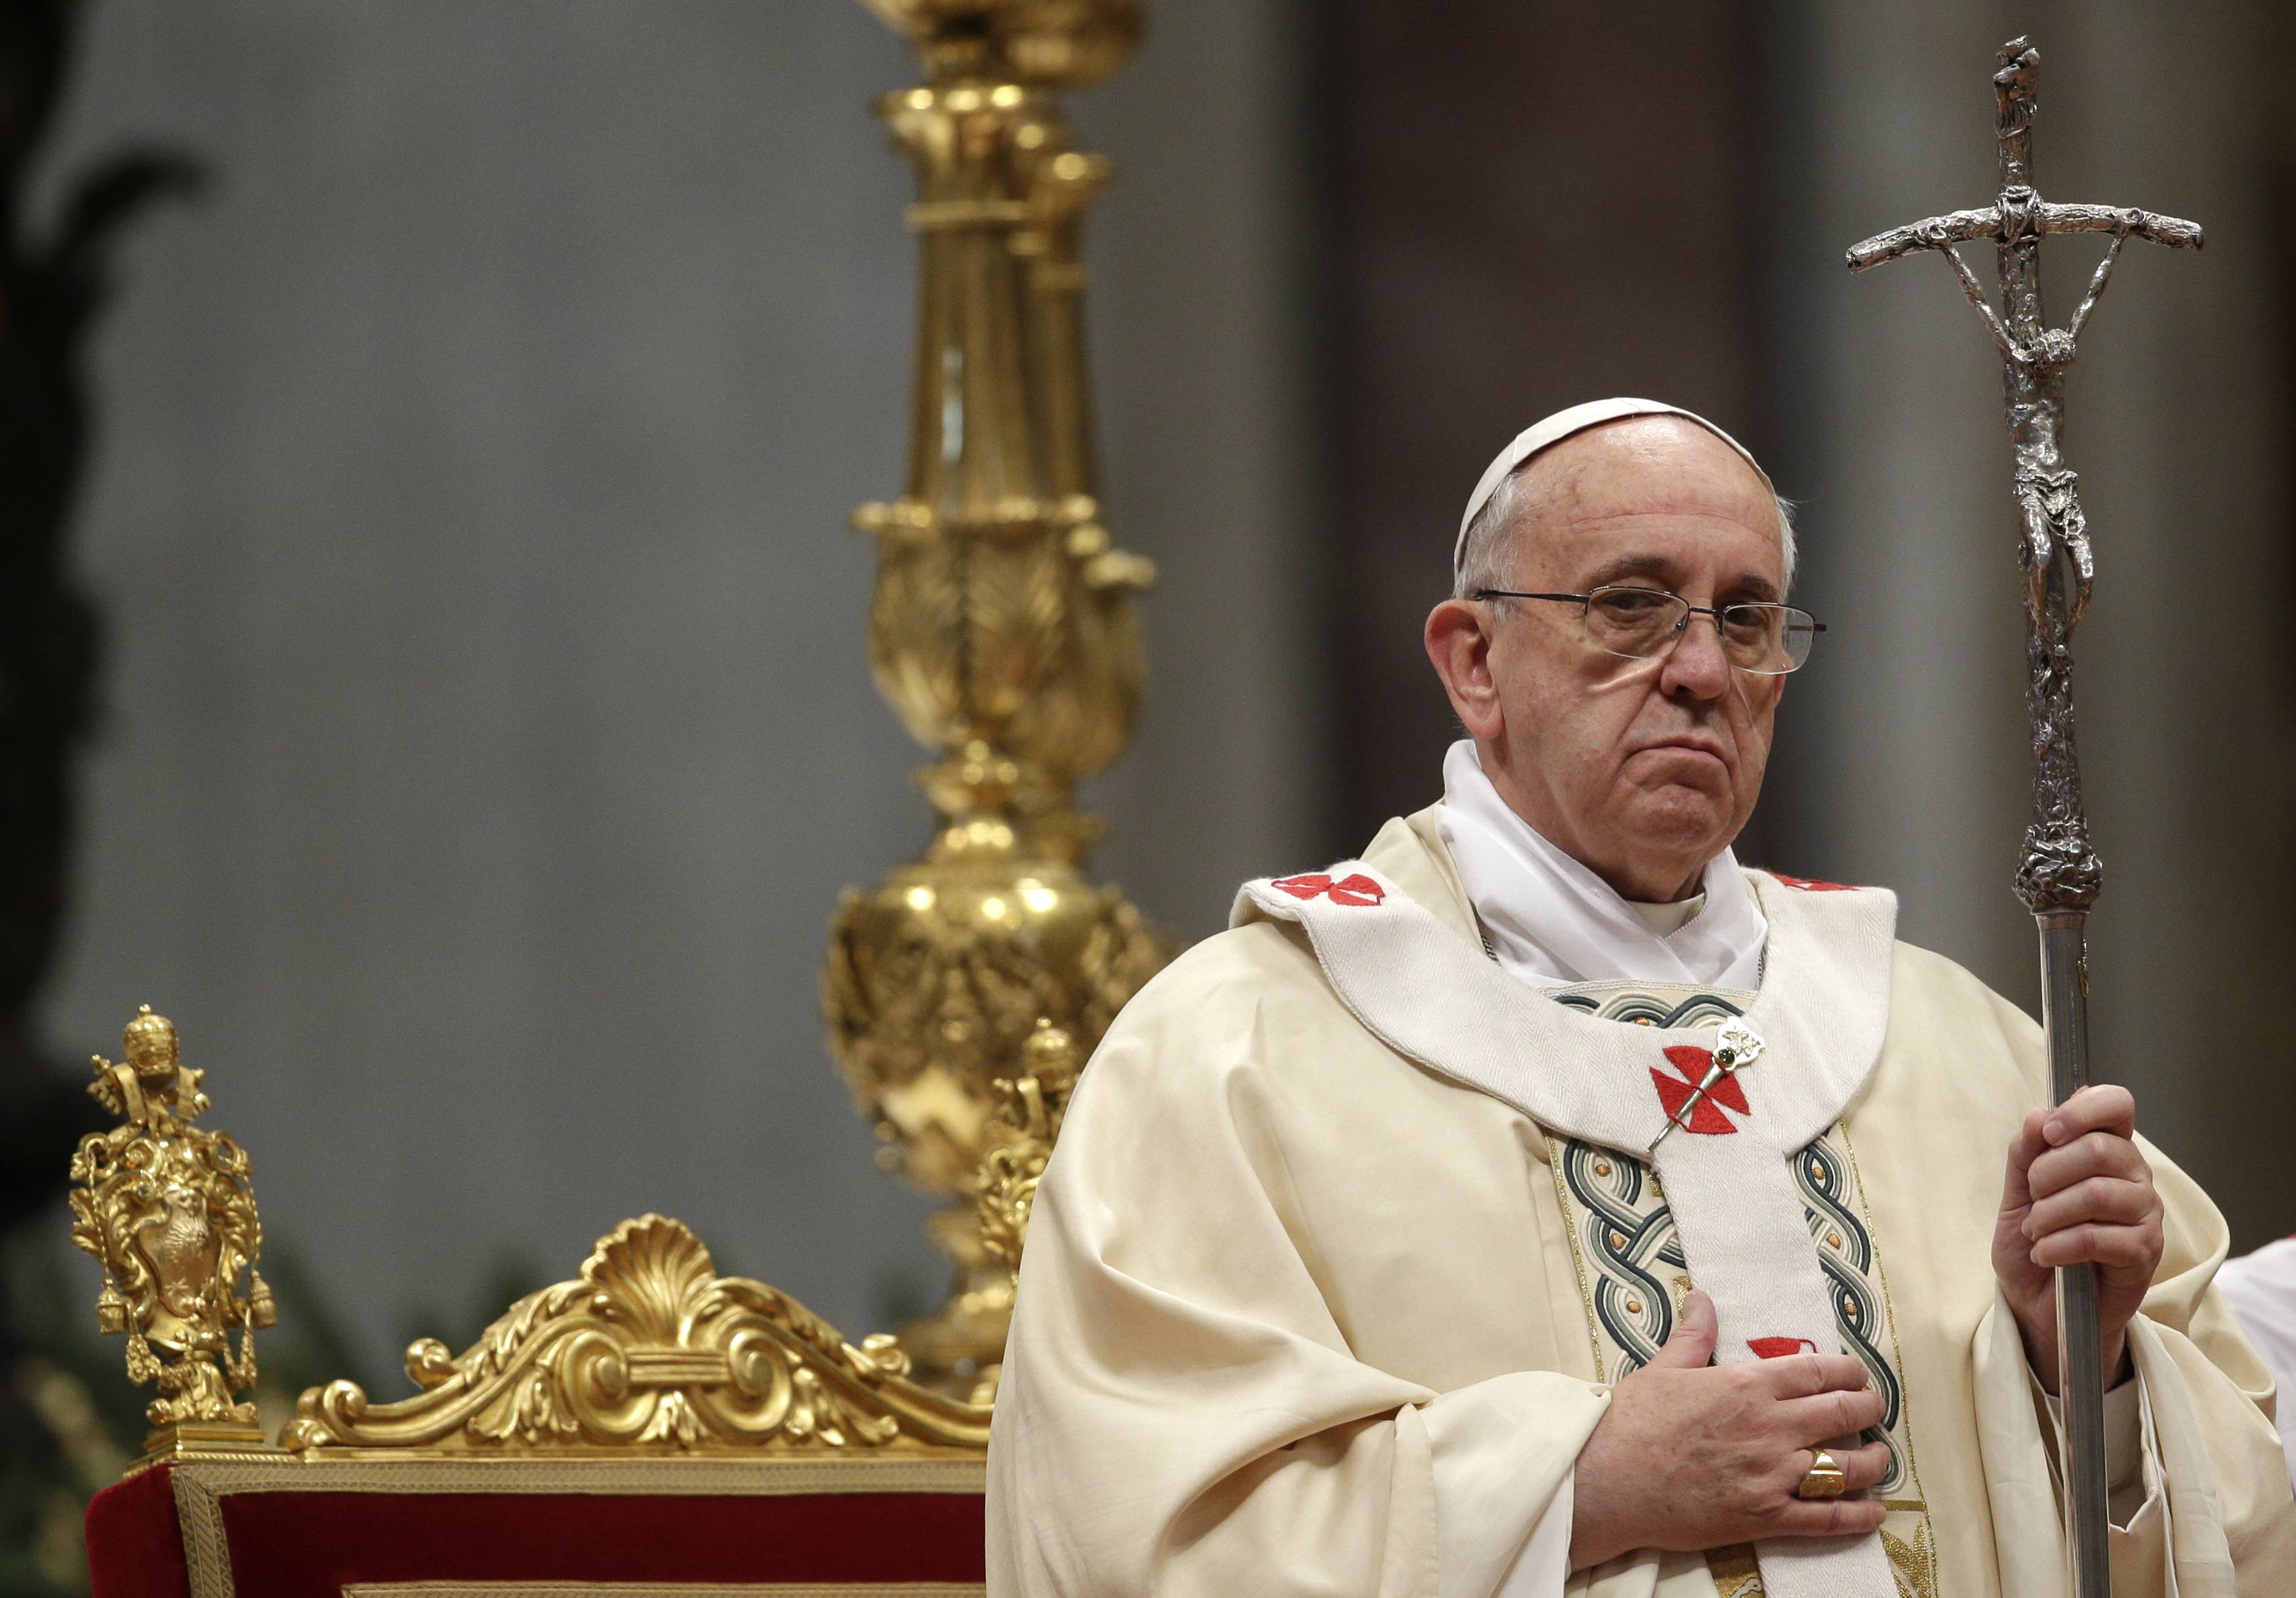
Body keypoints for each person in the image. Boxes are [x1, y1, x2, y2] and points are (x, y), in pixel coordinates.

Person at [983, 398, 2296, 1597]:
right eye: (1629, 605)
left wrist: (2085, 1366)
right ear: (1473, 663)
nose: (1702, 670)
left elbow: (2239, 1512)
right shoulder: (1235, 1052)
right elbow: (1129, 1527)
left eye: (1746, 617)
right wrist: (1580, 1487)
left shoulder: (1957, 1044)